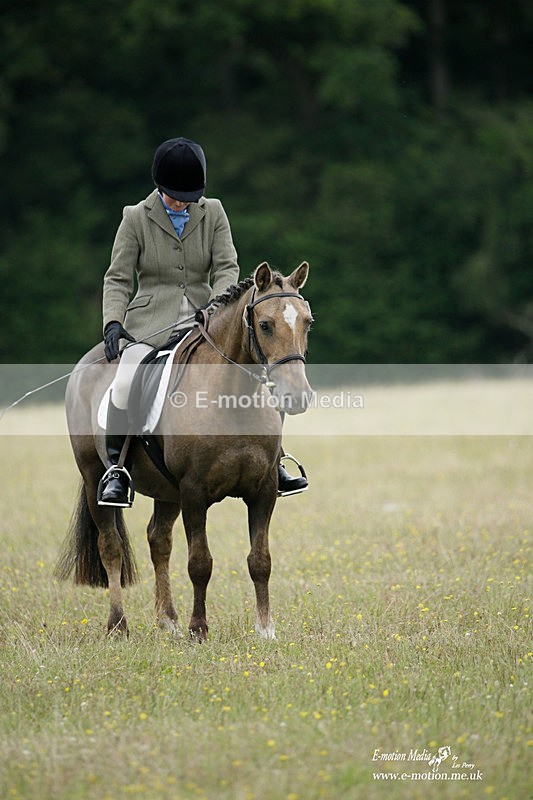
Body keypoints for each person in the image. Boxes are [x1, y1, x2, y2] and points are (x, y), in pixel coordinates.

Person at [99, 136, 308, 506]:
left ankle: (273, 460)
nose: (182, 203)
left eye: (188, 197)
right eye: (174, 196)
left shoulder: (213, 212)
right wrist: (113, 321)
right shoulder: (135, 217)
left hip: (207, 321)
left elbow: (227, 265)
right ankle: (117, 469)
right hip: (151, 323)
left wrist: (216, 305)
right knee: (126, 378)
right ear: (159, 186)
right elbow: (117, 278)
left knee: (258, 371)